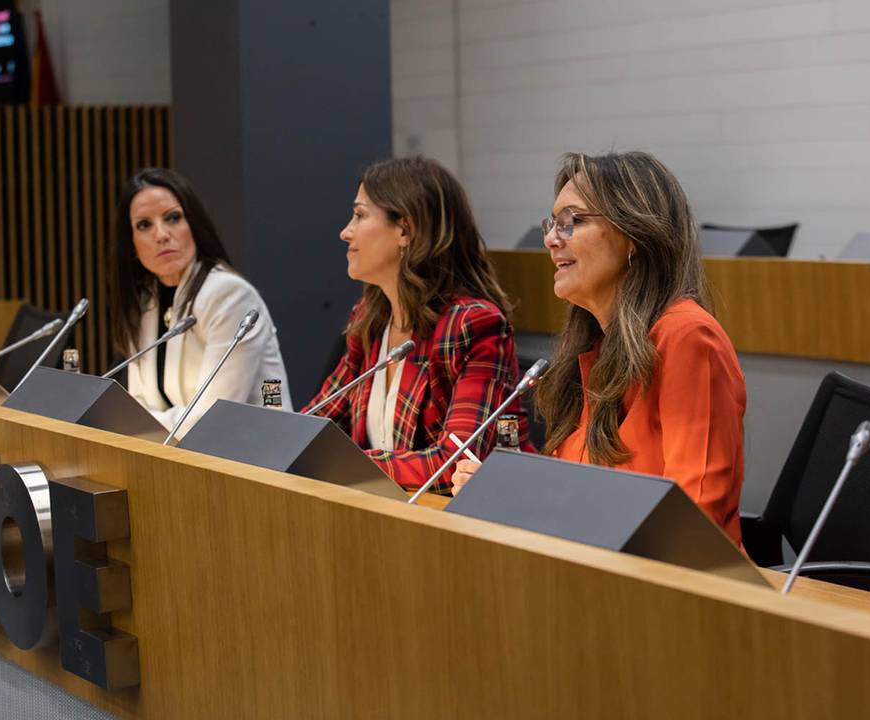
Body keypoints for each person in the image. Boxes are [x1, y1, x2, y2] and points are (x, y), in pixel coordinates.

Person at [451, 151, 746, 545]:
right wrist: (506, 491)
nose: (550, 238)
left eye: (572, 221)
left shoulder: (688, 337)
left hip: (679, 592)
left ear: (635, 235)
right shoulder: (600, 346)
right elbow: (576, 491)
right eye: (552, 223)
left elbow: (693, 523)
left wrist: (533, 506)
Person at [303, 156, 534, 493]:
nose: (345, 231)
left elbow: (452, 464)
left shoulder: (473, 325)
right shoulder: (370, 315)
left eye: (360, 215)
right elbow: (316, 421)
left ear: (405, 230)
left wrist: (337, 463)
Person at [109, 168, 292, 438]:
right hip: (183, 457)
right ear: (132, 245)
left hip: (256, 457)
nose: (161, 234)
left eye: (173, 218)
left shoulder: (229, 296)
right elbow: (139, 404)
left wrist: (127, 427)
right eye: (144, 225)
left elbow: (214, 416)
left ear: (193, 224)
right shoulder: (147, 302)